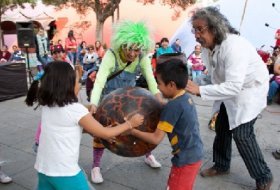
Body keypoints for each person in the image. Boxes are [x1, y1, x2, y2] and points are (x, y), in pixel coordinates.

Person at [186, 7, 273, 190]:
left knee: (242, 135)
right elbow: (214, 76)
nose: (196, 35)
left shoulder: (234, 46)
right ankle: (221, 165)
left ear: (214, 27)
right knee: (222, 127)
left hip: (249, 92)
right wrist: (192, 82)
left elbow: (234, 86)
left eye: (200, 29)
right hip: (229, 92)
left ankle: (263, 175)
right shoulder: (209, 48)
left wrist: (200, 90)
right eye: (194, 30)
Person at [25, 61, 144, 190]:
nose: (80, 84)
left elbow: (66, 127)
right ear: (67, 86)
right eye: (77, 81)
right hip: (65, 173)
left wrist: (88, 108)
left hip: (43, 169)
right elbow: (104, 133)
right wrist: (130, 123)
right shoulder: (75, 110)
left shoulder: (48, 104)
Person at [89, 20, 164, 184]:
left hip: (130, 99)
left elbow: (151, 80)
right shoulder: (112, 55)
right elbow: (100, 80)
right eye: (129, 48)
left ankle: (148, 154)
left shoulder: (142, 57)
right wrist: (93, 103)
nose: (132, 53)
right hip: (108, 99)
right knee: (101, 132)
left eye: (136, 49)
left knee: (142, 125)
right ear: (122, 44)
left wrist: (160, 100)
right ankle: (95, 166)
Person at [131, 59, 203, 190]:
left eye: (159, 83)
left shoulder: (172, 107)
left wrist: (132, 131)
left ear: (171, 85)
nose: (157, 87)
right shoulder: (185, 97)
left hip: (185, 159)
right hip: (195, 153)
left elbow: (156, 138)